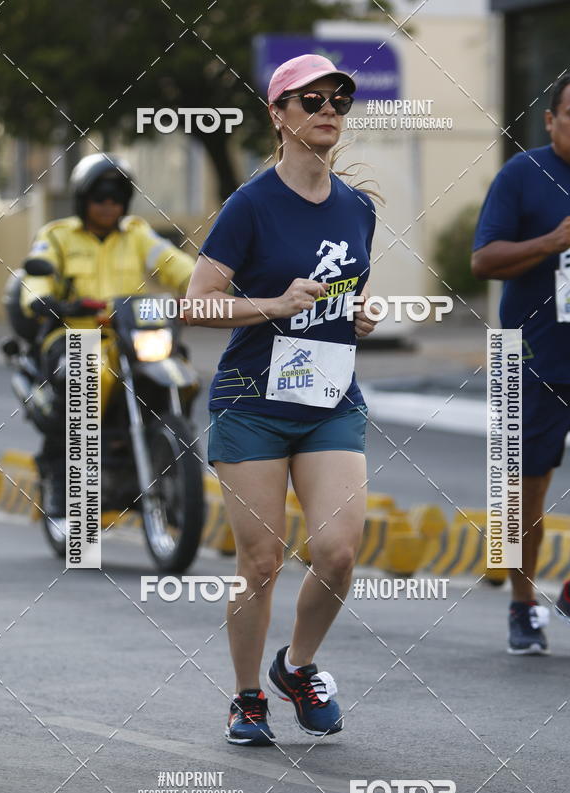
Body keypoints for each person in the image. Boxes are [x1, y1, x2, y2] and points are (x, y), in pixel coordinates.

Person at [185, 54, 378, 745]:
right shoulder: (251, 205)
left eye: (338, 100)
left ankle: (296, 667)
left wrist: (355, 316)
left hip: (328, 396)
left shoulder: (359, 209)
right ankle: (245, 698)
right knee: (261, 562)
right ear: (278, 114)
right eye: (310, 100)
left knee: (336, 552)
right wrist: (271, 305)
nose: (328, 110)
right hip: (251, 402)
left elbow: (339, 294)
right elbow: (196, 304)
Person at [472, 71, 570, 653]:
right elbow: (483, 261)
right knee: (524, 492)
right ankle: (523, 605)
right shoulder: (522, 175)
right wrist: (549, 242)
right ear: (551, 120)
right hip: (527, 355)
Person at [20, 152, 195, 524]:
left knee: (178, 365)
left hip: (129, 336)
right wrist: (40, 298)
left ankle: (170, 459)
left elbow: (178, 266)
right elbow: (37, 274)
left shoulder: (137, 234)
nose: (108, 206)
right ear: (84, 200)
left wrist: (204, 287)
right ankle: (61, 479)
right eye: (100, 198)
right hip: (74, 336)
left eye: (116, 198)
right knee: (83, 376)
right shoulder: (58, 235)